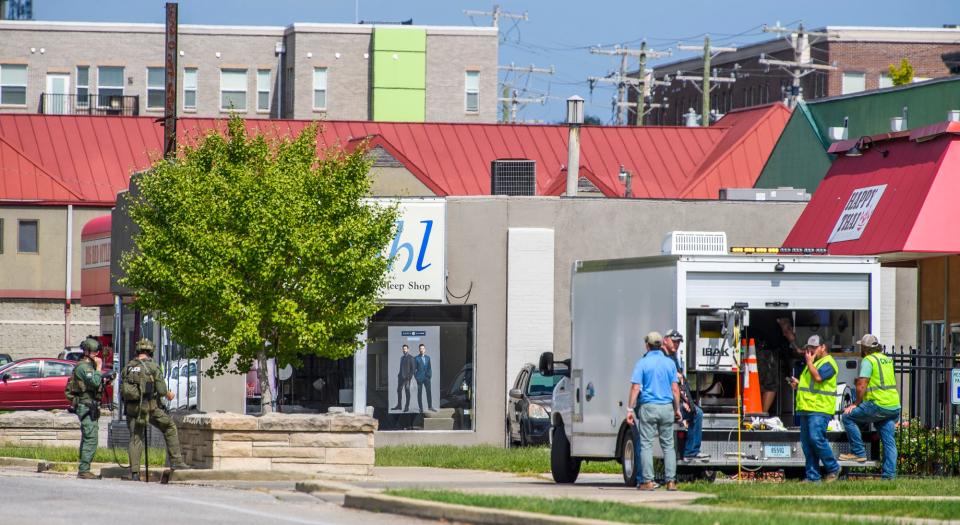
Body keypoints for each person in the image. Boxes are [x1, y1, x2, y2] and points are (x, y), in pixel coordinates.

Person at [122, 339, 190, 480]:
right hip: (149, 408)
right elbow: (161, 389)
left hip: (132, 408)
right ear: (151, 351)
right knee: (170, 427)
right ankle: (176, 462)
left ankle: (134, 473)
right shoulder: (152, 367)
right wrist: (169, 394)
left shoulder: (128, 367)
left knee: (136, 438)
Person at [626, 332, 682, 491]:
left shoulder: (642, 363)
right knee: (668, 446)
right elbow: (675, 389)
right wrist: (677, 409)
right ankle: (671, 481)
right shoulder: (669, 364)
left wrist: (630, 409)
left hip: (648, 407)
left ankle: (648, 481)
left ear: (647, 345)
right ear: (660, 345)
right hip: (666, 408)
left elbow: (636, 387)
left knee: (646, 445)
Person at [839, 334, 901, 479]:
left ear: (865, 349)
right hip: (893, 406)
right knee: (889, 442)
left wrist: (856, 404)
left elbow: (862, 385)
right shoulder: (886, 359)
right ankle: (889, 477)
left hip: (878, 404)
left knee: (848, 417)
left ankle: (858, 452)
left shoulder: (868, 360)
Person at [787, 334, 840, 482]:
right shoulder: (813, 364)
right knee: (807, 444)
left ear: (823, 347)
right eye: (809, 348)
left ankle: (833, 467)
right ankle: (812, 477)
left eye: (814, 348)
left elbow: (818, 378)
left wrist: (809, 362)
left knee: (816, 439)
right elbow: (811, 385)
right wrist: (798, 384)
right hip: (806, 408)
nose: (810, 351)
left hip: (820, 409)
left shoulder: (829, 363)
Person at [663, 330, 708, 462]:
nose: (676, 344)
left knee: (697, 412)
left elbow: (680, 384)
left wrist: (687, 401)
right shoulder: (663, 358)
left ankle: (691, 452)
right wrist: (682, 403)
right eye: (673, 341)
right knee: (697, 414)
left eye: (678, 342)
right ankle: (690, 451)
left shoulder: (673, 357)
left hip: (676, 402)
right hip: (667, 403)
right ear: (665, 340)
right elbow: (672, 386)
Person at [65, 337, 105, 479]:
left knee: (88, 436)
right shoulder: (84, 367)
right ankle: (84, 469)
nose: (97, 355)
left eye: (97, 352)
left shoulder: (89, 366)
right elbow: (94, 382)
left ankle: (84, 467)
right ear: (87, 352)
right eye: (94, 353)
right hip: (86, 405)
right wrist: (99, 369)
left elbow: (96, 383)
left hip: (90, 405)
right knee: (91, 437)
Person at [392, 344, 416, 411]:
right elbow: (401, 367)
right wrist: (399, 374)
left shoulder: (411, 358)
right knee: (399, 391)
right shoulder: (402, 358)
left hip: (407, 378)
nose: (404, 350)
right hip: (400, 378)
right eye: (403, 349)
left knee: (407, 391)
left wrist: (409, 377)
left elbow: (413, 369)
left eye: (405, 349)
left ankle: (406, 407)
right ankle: (399, 406)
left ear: (408, 349)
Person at [414, 343, 434, 412]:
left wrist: (430, 376)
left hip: (427, 378)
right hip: (419, 378)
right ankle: (421, 408)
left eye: (423, 348)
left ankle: (430, 407)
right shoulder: (416, 358)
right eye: (420, 348)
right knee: (419, 393)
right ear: (419, 350)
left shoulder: (428, 358)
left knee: (429, 392)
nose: (422, 350)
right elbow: (414, 369)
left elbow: (429, 367)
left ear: (425, 349)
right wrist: (416, 377)